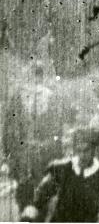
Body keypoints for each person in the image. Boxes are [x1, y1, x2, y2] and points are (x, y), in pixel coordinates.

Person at [2, 62, 63, 214]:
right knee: (38, 197)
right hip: (37, 156)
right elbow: (57, 132)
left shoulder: (21, 97)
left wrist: (9, 156)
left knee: (31, 197)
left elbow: (9, 131)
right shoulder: (50, 97)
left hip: (29, 157)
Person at [21, 128, 99, 222]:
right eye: (79, 150)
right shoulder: (63, 168)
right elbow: (43, 192)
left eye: (86, 151)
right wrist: (31, 211)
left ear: (94, 151)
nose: (82, 155)